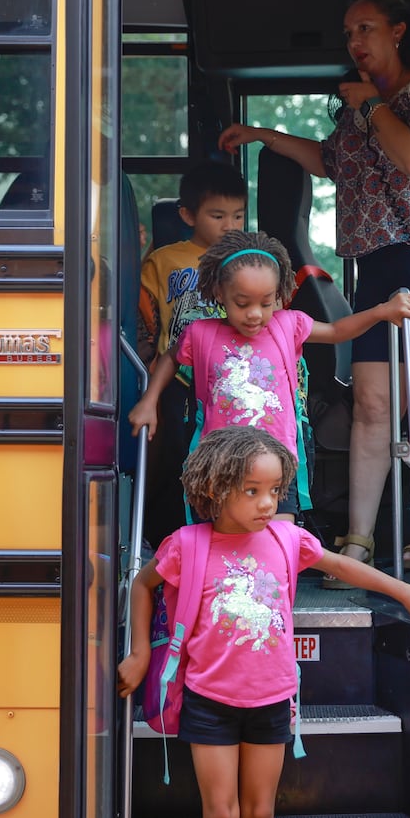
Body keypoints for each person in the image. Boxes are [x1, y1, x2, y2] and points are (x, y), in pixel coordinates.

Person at [117, 426, 410, 818]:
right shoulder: (186, 545)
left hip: (271, 701)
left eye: (274, 491)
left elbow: (341, 565)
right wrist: (139, 654)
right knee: (221, 817)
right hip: (208, 700)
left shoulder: (288, 539)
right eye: (252, 491)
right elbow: (143, 586)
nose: (267, 504)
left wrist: (403, 590)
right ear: (214, 487)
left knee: (261, 815)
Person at [218, 0, 410, 574]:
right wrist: (264, 136)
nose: (354, 42)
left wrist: (372, 106)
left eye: (366, 29)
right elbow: (331, 162)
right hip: (373, 260)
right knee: (373, 404)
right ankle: (358, 539)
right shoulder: (352, 108)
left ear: (397, 30)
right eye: (349, 32)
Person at [127, 230, 410, 553]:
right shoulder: (200, 333)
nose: (255, 313)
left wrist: (381, 311)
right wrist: (149, 402)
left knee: (279, 539)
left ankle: (273, 599)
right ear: (219, 293)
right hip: (219, 462)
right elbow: (169, 358)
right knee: (220, 541)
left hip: (277, 462)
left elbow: (337, 331)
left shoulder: (287, 324)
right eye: (242, 303)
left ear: (279, 295)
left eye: (266, 303)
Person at [136, 161, 249, 545]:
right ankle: (171, 534)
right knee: (177, 455)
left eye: (237, 215)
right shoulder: (165, 260)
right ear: (187, 215)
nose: (229, 225)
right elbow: (140, 309)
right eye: (217, 216)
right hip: (179, 375)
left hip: (234, 376)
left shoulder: (249, 260)